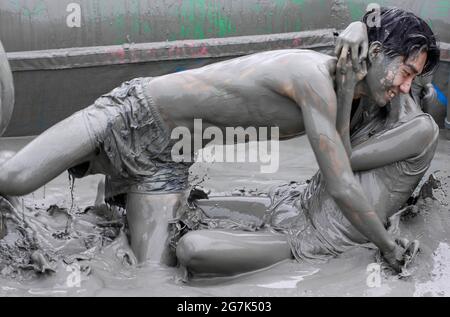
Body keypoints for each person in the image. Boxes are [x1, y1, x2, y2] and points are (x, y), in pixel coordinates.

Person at [0, 8, 439, 272]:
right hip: (134, 114)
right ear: (378, 55)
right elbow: (341, 183)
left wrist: (362, 23)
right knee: (14, 179)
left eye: (413, 80)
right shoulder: (314, 81)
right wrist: (387, 247)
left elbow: (389, 124)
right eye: (405, 73)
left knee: (148, 275)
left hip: (169, 162)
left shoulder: (354, 95)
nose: (405, 86)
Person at [174, 87, 439, 277]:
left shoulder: (420, 128)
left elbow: (341, 159)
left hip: (317, 237)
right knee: (187, 207)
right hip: (297, 202)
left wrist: (347, 87)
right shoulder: (373, 108)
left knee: (191, 249)